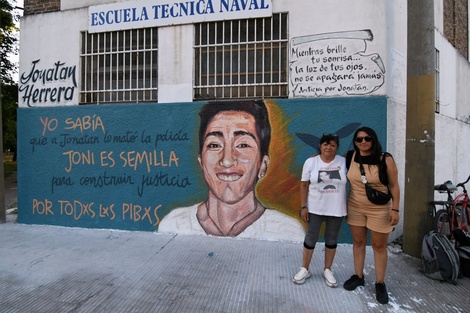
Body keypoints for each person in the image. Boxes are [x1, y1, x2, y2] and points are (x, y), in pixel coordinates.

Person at [158, 100, 305, 241]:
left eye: (243, 145)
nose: (227, 160)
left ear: (263, 165)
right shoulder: (173, 225)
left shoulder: (287, 231)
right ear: (201, 162)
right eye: (214, 145)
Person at [343, 126, 400, 305]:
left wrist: (396, 209)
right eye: (359, 139)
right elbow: (330, 160)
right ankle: (358, 276)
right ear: (355, 142)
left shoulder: (385, 159)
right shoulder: (350, 157)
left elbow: (394, 185)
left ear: (373, 140)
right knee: (358, 242)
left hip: (380, 209)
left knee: (378, 246)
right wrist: (316, 157)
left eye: (367, 138)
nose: (363, 142)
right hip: (355, 206)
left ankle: (380, 283)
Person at [293, 133, 347, 287]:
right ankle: (305, 269)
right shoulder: (311, 162)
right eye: (325, 144)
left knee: (331, 239)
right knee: (311, 237)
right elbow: (304, 185)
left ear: (337, 147)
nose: (328, 147)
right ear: (320, 146)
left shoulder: (344, 162)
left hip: (336, 208)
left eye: (332, 145)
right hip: (315, 207)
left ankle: (327, 270)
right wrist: (304, 206)